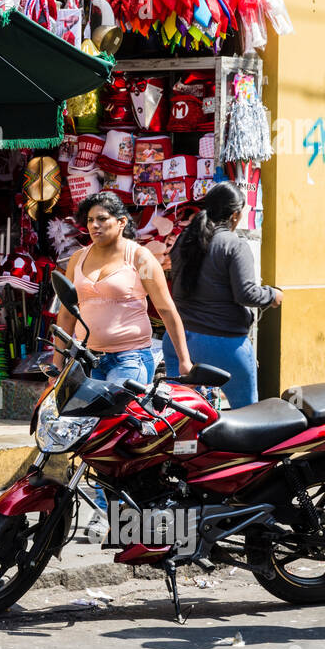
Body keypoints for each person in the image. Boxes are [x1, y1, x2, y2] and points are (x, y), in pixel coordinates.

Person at [54, 192, 194, 539]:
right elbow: (66, 313)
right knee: (87, 436)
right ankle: (109, 509)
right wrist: (58, 358)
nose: (95, 226)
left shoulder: (140, 257)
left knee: (115, 436)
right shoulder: (77, 258)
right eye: (89, 221)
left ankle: (113, 514)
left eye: (102, 219)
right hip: (88, 360)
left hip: (130, 359)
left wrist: (185, 359)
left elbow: (165, 309)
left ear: (121, 222)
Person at [164, 182, 282, 407]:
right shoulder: (234, 245)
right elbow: (246, 294)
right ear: (235, 215)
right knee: (247, 414)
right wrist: (272, 295)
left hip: (178, 341)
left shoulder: (185, 239)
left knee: (181, 415)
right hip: (222, 344)